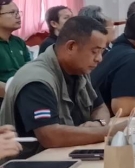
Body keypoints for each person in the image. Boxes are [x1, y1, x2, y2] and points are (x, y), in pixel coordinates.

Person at [0, 17, 124, 158]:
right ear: (71, 47)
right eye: (94, 51)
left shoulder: (79, 70)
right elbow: (50, 136)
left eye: (102, 51)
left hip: (64, 156)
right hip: (30, 164)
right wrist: (110, 131)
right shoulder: (36, 80)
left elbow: (100, 107)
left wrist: (98, 123)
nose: (99, 59)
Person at [0, 0, 30, 100]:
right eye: (12, 12)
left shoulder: (19, 42)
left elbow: (29, 68)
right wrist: (15, 93)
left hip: (22, 94)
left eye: (18, 12)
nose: (18, 16)